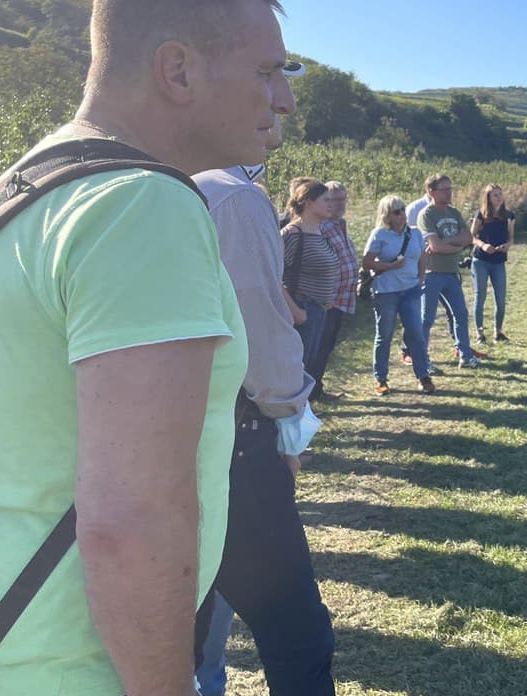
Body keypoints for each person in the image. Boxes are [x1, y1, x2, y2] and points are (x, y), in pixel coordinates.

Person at [0, 0, 288, 695]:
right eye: (267, 71)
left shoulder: (24, 190)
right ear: (178, 70)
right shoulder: (142, 206)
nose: (284, 100)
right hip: (72, 670)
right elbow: (132, 520)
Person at [192, 121, 336, 695]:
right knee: (295, 632)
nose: (283, 101)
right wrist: (289, 427)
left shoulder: (82, 178)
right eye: (267, 79)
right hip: (231, 439)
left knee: (186, 623)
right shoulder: (235, 196)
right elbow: (257, 325)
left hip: (143, 440)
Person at [363, 195, 434, 394]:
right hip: (386, 292)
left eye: (403, 209)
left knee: (416, 333)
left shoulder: (415, 233)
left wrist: (421, 278)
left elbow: (422, 256)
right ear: (387, 215)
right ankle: (380, 378)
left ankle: (423, 375)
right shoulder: (379, 234)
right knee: (384, 334)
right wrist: (390, 266)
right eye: (396, 212)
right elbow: (367, 263)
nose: (402, 214)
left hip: (410, 290)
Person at [417, 173, 480, 369]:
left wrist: (449, 243)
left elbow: (468, 238)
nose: (449, 192)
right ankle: (422, 359)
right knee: (426, 318)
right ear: (431, 191)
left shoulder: (453, 212)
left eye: (450, 188)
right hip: (431, 273)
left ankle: (465, 355)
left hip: (451, 272)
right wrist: (455, 246)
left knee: (460, 314)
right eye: (444, 189)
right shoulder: (426, 215)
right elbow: (435, 247)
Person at [281, 179, 341, 374]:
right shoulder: (293, 234)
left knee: (308, 369)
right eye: (326, 200)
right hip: (301, 310)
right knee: (296, 371)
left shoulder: (319, 232)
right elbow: (271, 275)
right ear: (308, 203)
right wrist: (296, 311)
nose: (331, 205)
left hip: (318, 311)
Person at [307, 181, 356, 401]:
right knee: (316, 347)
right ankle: (308, 394)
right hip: (326, 298)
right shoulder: (321, 226)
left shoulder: (340, 224)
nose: (339, 204)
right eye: (333, 200)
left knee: (326, 346)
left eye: (342, 199)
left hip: (341, 298)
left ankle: (316, 389)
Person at [469, 184, 515, 342]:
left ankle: (498, 331)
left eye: (500, 194)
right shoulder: (480, 215)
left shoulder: (509, 216)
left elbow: (511, 237)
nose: (498, 198)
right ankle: (479, 333)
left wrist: (507, 245)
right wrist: (483, 245)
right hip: (481, 260)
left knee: (500, 299)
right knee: (480, 296)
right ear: (488, 198)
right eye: (495, 195)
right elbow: (471, 236)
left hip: (498, 261)